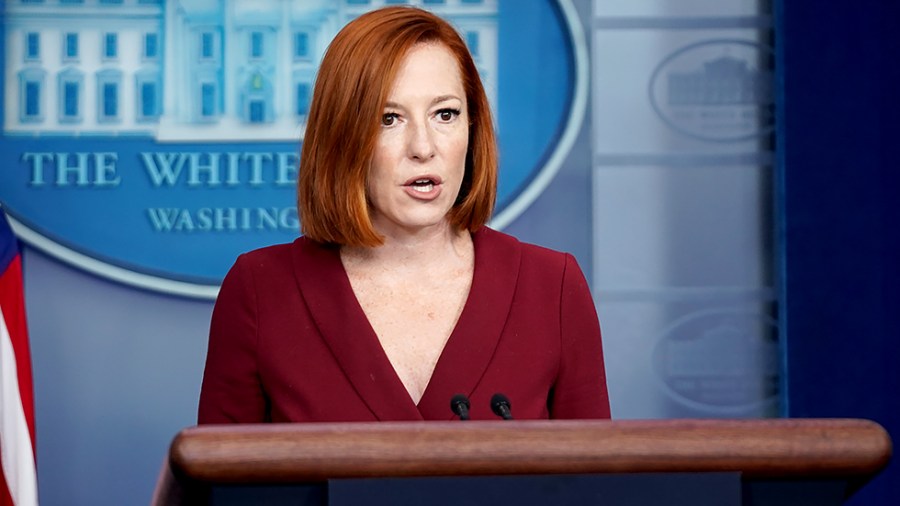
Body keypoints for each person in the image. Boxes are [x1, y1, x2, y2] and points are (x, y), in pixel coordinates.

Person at [197, 6, 609, 423]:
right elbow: (220, 483)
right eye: (389, 119)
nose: (423, 147)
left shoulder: (552, 287)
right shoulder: (260, 292)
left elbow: (595, 483)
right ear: (343, 135)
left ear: (474, 125)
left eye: (445, 114)